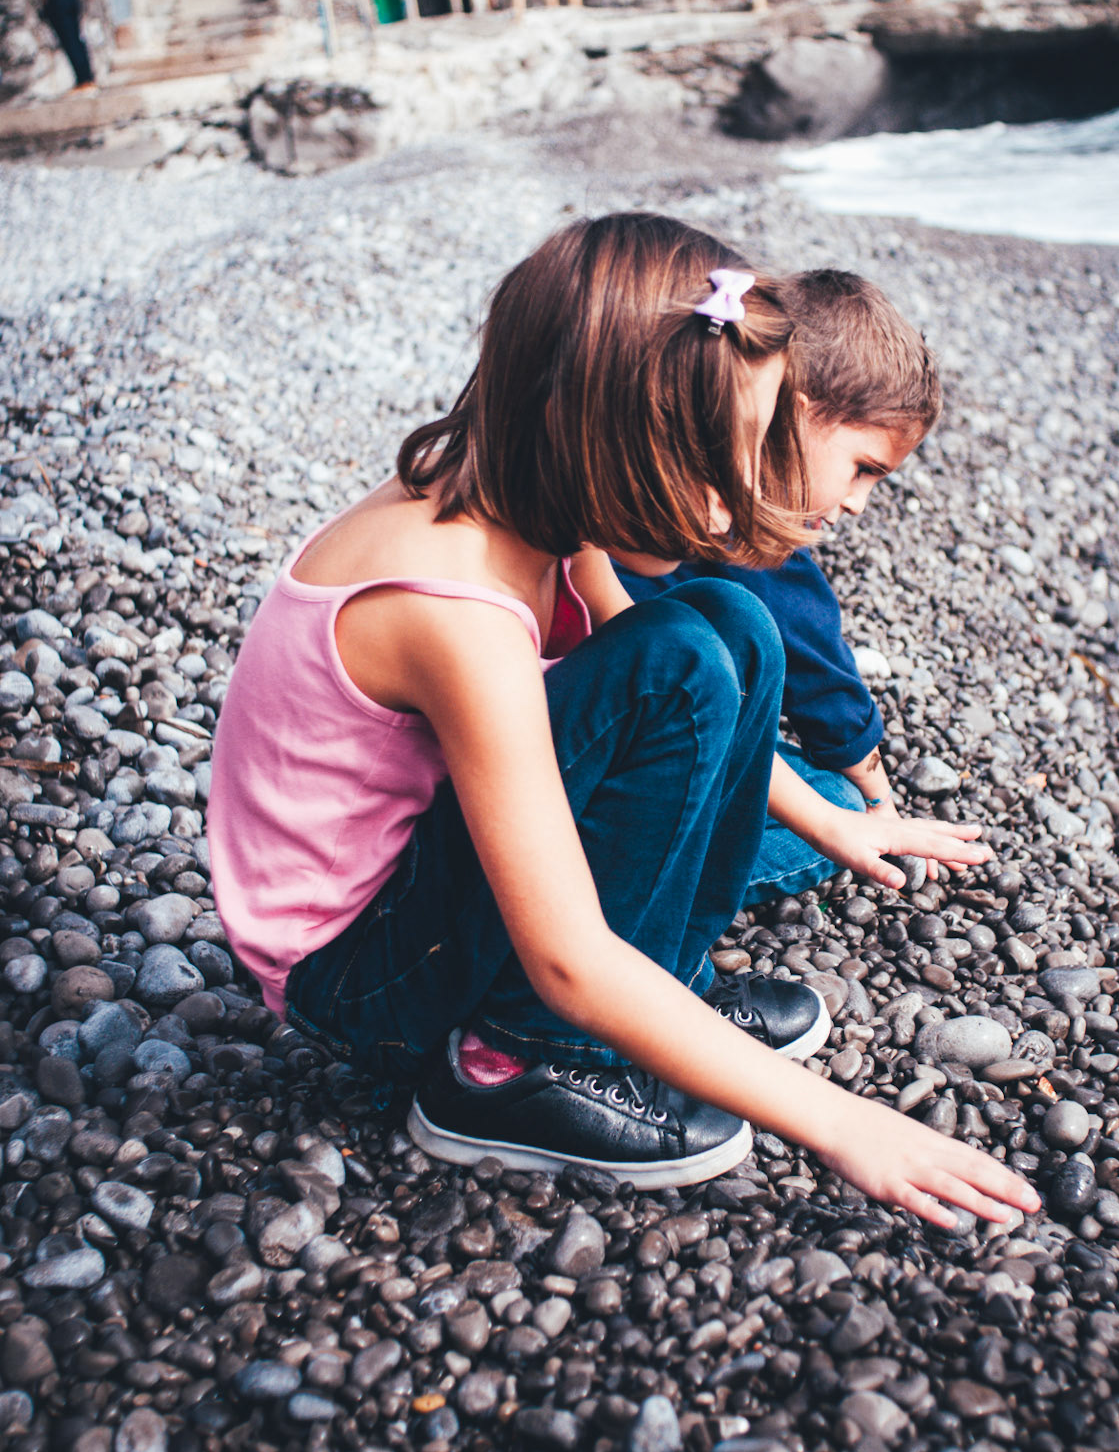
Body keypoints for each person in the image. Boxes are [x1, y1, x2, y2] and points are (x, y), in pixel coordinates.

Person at [209, 214, 1036, 1229]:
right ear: (607, 430)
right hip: (358, 979)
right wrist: (845, 1124)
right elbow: (565, 955)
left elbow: (675, 673)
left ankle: (663, 991)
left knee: (727, 621)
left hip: (417, 899)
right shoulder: (452, 610)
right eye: (720, 464)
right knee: (676, 658)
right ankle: (510, 1063)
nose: (731, 510)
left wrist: (835, 823)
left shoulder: (534, 487)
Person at [619, 267, 938, 904]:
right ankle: (648, 894)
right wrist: (878, 801)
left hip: (599, 724)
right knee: (835, 799)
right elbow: (819, 677)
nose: (858, 503)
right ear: (794, 415)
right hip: (623, 748)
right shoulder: (745, 527)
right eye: (862, 469)